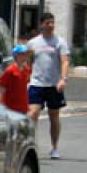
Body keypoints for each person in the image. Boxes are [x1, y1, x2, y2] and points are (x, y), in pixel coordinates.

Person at [25, 12, 70, 159]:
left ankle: (54, 147)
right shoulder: (33, 43)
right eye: (47, 23)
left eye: (52, 22)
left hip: (53, 85)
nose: (50, 25)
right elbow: (28, 62)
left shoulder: (60, 42)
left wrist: (63, 79)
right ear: (41, 25)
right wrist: (26, 79)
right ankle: (30, 144)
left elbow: (64, 61)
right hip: (36, 84)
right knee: (32, 114)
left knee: (54, 116)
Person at [0, 44, 32, 114]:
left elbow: (25, 87)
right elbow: (2, 89)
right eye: (23, 54)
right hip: (11, 108)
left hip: (23, 107)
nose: (25, 56)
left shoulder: (27, 70)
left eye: (26, 54)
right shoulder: (10, 70)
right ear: (16, 56)